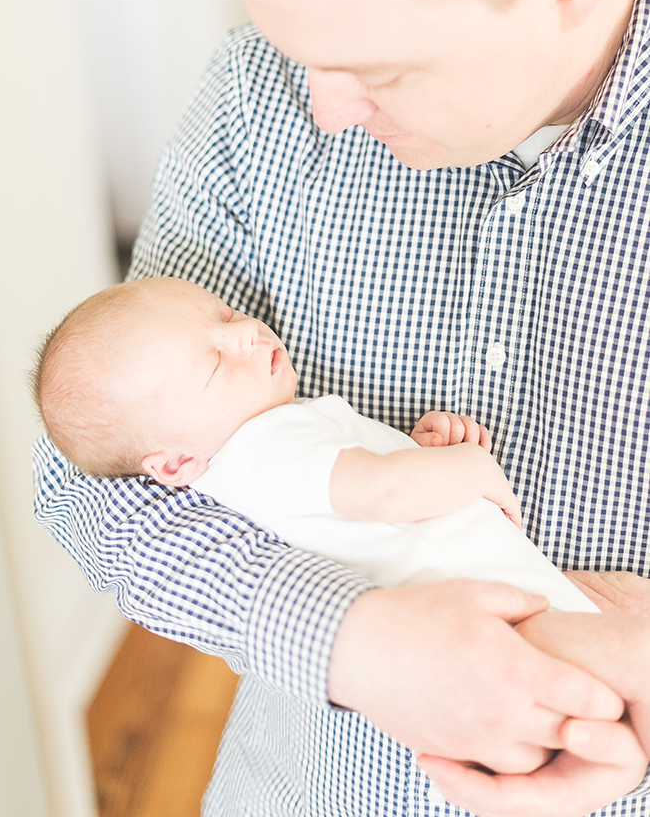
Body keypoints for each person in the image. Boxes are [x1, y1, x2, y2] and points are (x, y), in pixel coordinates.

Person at [32, 0, 650, 815]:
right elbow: (94, 473)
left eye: (381, 68)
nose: (320, 109)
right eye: (291, 48)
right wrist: (351, 639)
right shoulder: (256, 100)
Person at [32, 274, 650, 793]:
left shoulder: (256, 453)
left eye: (222, 314)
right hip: (507, 626)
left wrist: (418, 447)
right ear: (172, 465)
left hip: (500, 615)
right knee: (624, 658)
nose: (244, 331)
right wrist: (469, 470)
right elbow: (384, 491)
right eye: (216, 361)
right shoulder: (265, 447)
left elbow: (365, 496)